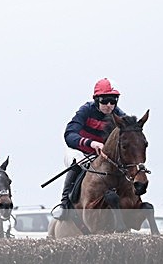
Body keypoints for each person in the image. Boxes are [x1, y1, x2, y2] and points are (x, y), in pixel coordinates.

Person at [52, 78, 127, 219]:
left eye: (113, 100)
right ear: (97, 100)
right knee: (77, 162)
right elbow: (69, 134)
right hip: (81, 150)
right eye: (105, 101)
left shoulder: (118, 114)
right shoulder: (86, 110)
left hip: (103, 154)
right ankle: (64, 203)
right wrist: (91, 143)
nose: (109, 105)